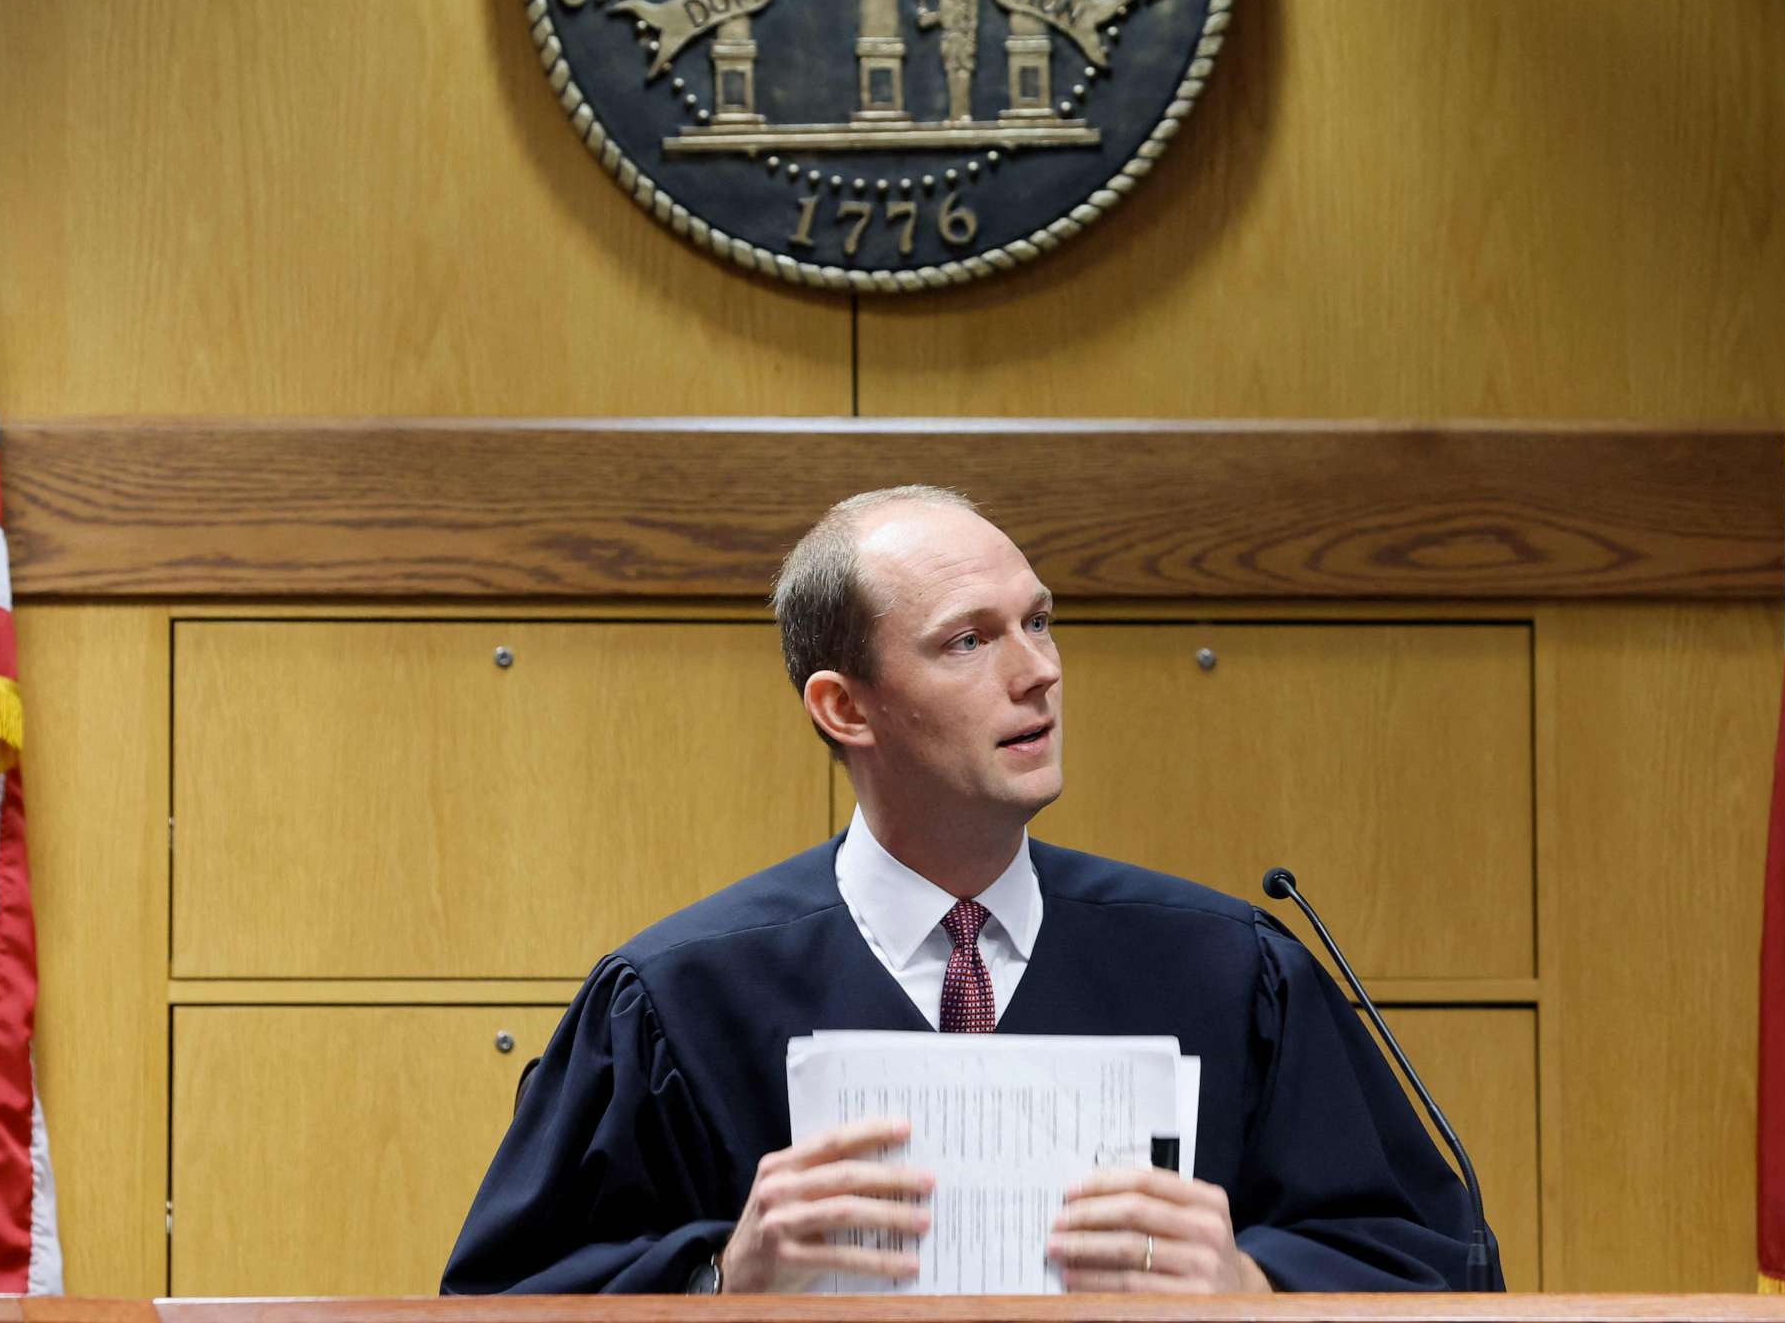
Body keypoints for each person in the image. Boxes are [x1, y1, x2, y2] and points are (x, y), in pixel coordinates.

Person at [438, 486, 1488, 1295]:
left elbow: (1435, 1263)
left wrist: (1255, 1282)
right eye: (970, 639)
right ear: (846, 707)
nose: (1037, 671)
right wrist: (722, 1279)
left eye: (1041, 620)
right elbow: (494, 1309)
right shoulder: (675, 1000)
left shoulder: (1230, 970)